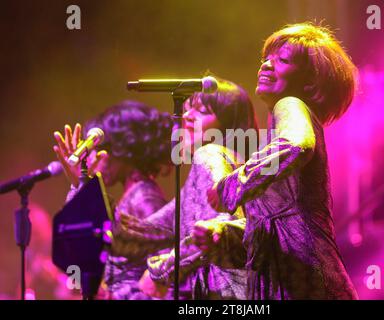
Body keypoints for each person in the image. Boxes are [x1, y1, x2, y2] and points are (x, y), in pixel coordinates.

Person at [207, 23, 359, 299]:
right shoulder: (274, 136)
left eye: (283, 60)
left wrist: (233, 184)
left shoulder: (289, 104)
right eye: (265, 59)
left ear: (310, 82)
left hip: (306, 279)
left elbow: (296, 145)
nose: (266, 65)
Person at [120, 77, 259, 299]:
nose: (187, 116)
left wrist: (160, 270)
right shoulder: (207, 174)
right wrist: (83, 183)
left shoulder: (211, 154)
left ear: (228, 125)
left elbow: (215, 232)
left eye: (202, 111)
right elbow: (141, 234)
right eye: (185, 109)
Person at [53, 100, 173, 299]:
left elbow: (163, 280)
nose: (92, 159)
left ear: (124, 149)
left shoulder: (145, 198)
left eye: (99, 150)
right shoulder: (133, 196)